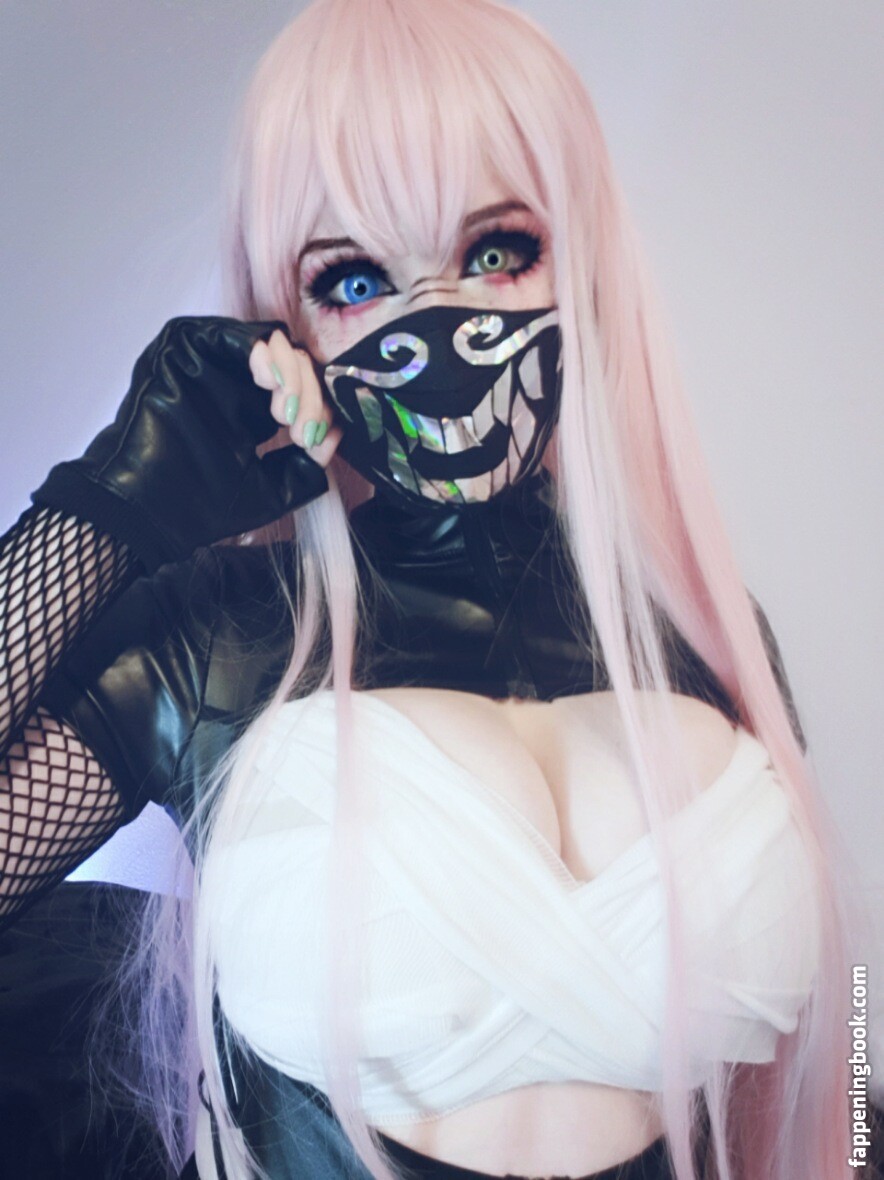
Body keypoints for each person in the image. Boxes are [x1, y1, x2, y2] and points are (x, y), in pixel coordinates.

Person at [0, 0, 856, 1177]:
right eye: (354, 277)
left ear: (581, 255)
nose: (437, 325)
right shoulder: (220, 639)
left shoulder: (702, 630)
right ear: (284, 320)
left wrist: (857, 1140)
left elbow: (843, 1029)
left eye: (495, 253)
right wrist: (110, 503)